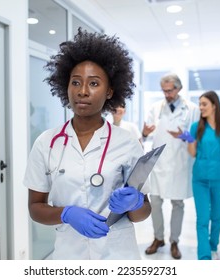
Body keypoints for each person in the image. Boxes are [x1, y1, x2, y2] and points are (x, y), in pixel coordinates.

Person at [23, 28, 151, 260]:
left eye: (93, 83)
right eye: (76, 82)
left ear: (110, 91)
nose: (82, 91)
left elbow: (142, 214)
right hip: (68, 255)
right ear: (66, 86)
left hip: (118, 254)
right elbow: (35, 208)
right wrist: (66, 214)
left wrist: (135, 202)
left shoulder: (127, 143)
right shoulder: (47, 143)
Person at [142, 73, 200, 259]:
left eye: (170, 90)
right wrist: (144, 133)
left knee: (177, 203)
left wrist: (185, 137)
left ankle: (175, 241)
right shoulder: (155, 108)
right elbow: (146, 133)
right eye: (164, 91)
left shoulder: (191, 109)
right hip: (159, 164)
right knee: (156, 202)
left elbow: (196, 137)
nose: (167, 94)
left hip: (179, 163)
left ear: (179, 88)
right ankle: (158, 238)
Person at [177, 90, 220, 260]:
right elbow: (193, 153)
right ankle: (204, 256)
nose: (200, 107)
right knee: (202, 218)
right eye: (200, 104)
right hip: (200, 179)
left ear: (214, 106)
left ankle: (213, 246)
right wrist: (189, 140)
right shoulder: (197, 127)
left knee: (216, 216)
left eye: (204, 104)